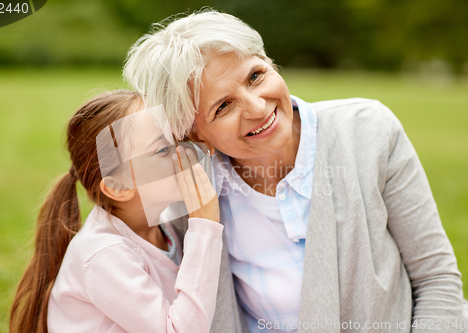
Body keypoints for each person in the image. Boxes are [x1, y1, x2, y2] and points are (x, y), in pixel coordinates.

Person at [123, 10, 468, 333]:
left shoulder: (369, 130)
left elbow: (437, 280)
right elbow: (108, 214)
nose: (258, 108)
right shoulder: (183, 185)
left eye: (256, 76)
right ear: (194, 135)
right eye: (223, 106)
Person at [9, 90, 224, 333]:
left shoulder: (162, 224)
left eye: (178, 137)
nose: (184, 152)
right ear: (118, 187)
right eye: (163, 150)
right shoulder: (103, 255)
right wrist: (205, 227)